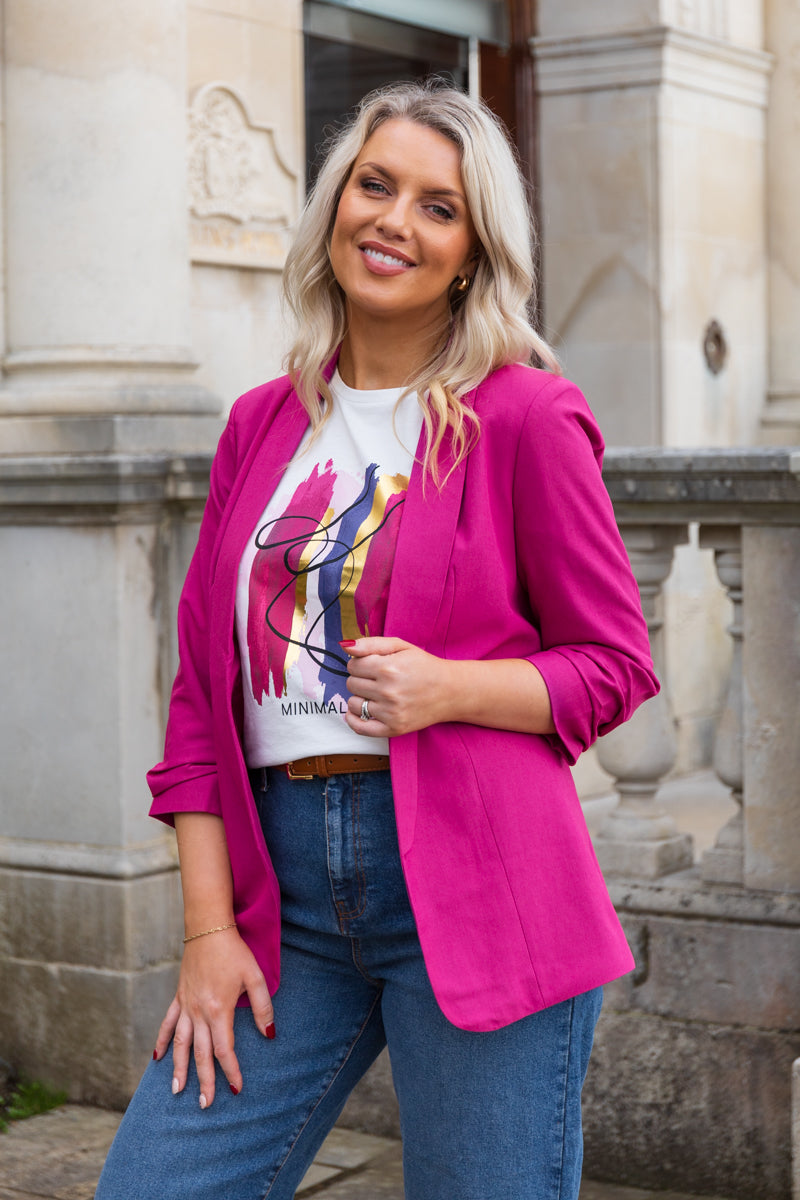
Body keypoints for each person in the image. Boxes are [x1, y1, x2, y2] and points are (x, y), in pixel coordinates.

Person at [96, 79, 659, 1200]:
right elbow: (199, 702)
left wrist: (452, 688)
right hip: (283, 898)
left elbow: (613, 665)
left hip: (482, 877)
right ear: (335, 206)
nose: (394, 220)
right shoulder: (261, 421)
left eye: (437, 206)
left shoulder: (525, 418)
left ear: (470, 254)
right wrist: (207, 933)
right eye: (374, 184)